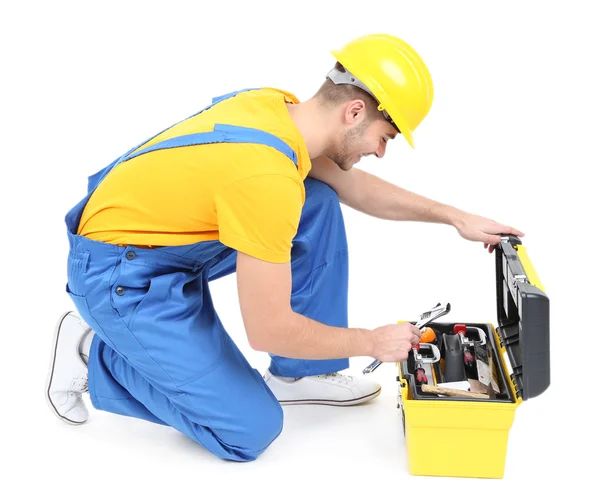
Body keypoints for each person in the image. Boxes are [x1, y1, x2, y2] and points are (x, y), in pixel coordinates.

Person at [45, 33, 524, 462]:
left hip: (159, 239)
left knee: (315, 200)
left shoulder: (278, 110)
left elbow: (354, 188)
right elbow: (268, 329)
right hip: (119, 277)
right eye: (385, 137)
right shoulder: (265, 176)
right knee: (250, 430)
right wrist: (370, 342)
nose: (380, 151)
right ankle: (91, 352)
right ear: (355, 111)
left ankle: (303, 374)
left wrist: (456, 217)